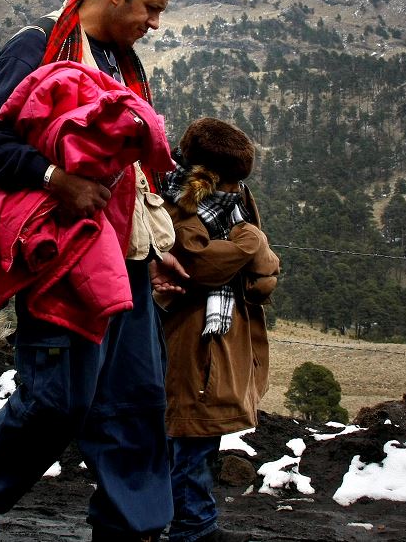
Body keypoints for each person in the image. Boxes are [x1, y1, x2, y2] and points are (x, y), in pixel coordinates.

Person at [0, 0, 189, 542]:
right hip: (59, 257)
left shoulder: (123, 60)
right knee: (56, 402)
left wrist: (153, 243)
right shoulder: (36, 46)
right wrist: (55, 179)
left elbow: (127, 162)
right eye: (150, 9)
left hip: (124, 256)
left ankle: (129, 528)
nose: (154, 24)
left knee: (136, 399)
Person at [158, 118, 280, 542]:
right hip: (192, 334)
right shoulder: (177, 201)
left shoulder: (235, 199)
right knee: (191, 430)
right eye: (224, 182)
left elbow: (264, 277)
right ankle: (192, 529)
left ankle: (194, 522)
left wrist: (252, 254)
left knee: (201, 433)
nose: (232, 191)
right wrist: (249, 246)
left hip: (223, 334)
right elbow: (197, 264)